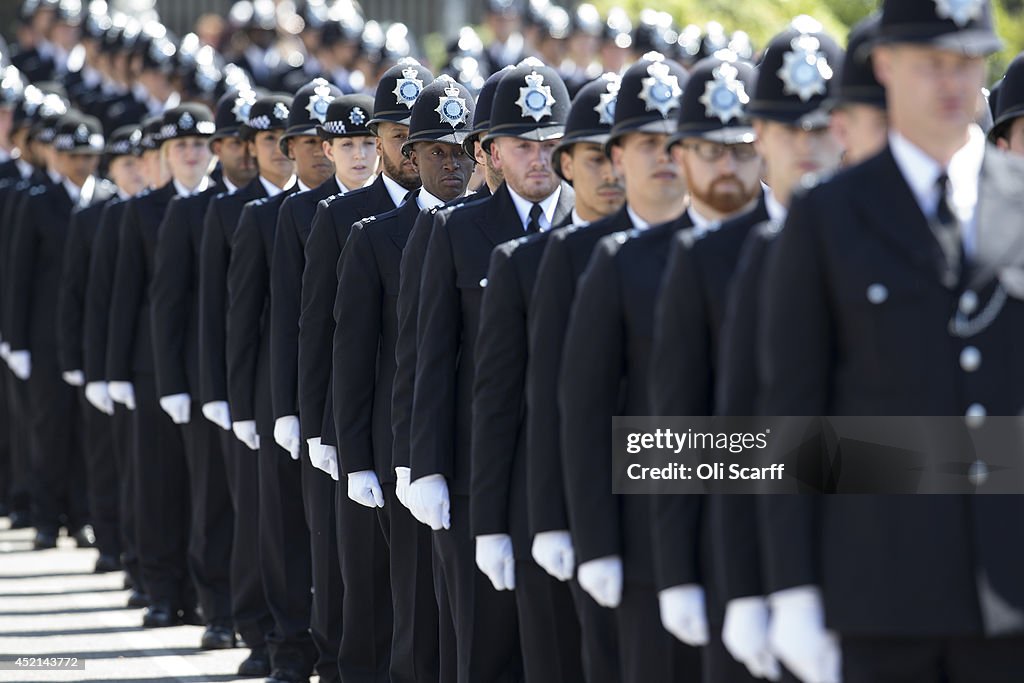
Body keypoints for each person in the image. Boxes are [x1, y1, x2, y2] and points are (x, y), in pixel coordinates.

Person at [756, 2, 1024, 681]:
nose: (952, 82)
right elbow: (792, 410)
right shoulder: (827, 215)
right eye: (931, 62)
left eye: (966, 62)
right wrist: (791, 587)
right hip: (882, 592)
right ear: (885, 67)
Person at [408, 59, 575, 683]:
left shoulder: (592, 229)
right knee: (483, 644)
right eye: (523, 145)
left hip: (567, 470)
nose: (539, 159)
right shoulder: (454, 229)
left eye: (552, 144)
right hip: (478, 470)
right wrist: (425, 466)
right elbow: (430, 354)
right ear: (489, 152)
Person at [470, 73, 628, 683]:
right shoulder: (527, 262)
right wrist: (492, 523)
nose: (613, 170)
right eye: (597, 155)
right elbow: (501, 402)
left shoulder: (686, 252)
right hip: (546, 501)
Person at [557, 52, 698, 682]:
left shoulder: (763, 245)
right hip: (640, 518)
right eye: (647, 143)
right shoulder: (606, 261)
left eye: (676, 142)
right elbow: (580, 410)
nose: (665, 156)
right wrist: (590, 536)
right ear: (617, 156)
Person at [334, 74, 476, 683]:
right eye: (436, 152)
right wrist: (355, 454)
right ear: (410, 156)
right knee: (416, 603)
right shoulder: (374, 238)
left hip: (476, 446)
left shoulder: (491, 229)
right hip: (405, 446)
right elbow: (354, 352)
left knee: (474, 611)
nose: (451, 163)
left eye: (461, 149)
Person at [300, 58, 430, 681]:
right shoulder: (346, 216)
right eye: (395, 133)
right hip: (369, 420)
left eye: (416, 131)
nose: (407, 145)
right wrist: (333, 435)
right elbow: (329, 336)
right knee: (367, 583)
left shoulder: (459, 207)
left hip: (427, 423)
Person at [227, 82, 342, 683]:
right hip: (285, 394)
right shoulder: (265, 216)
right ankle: (288, 645)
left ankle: (335, 644)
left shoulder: (365, 208)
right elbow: (250, 319)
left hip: (343, 395)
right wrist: (251, 403)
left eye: (332, 139)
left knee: (336, 533)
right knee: (285, 529)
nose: (323, 151)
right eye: (310, 140)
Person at [270, 91, 377, 683]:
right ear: (325, 149)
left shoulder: (413, 208)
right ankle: (331, 657)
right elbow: (296, 318)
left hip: (380, 398)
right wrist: (296, 411)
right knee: (333, 544)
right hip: (328, 400)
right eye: (346, 144)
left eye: (368, 143)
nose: (359, 155)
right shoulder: (305, 211)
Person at [149, 88, 260, 654]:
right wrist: (177, 383)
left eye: (251, 141)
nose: (244, 152)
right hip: (206, 382)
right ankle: (217, 609)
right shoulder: (195, 210)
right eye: (233, 142)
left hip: (259, 383)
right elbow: (172, 304)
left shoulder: (278, 203)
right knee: (213, 500)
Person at [106, 104, 216, 628]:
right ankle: (160, 586)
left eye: (199, 144)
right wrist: (117, 373)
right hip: (155, 369)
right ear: (166, 156)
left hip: (212, 368)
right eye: (181, 147)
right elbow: (126, 296)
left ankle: (204, 593)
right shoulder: (143, 210)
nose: (192, 153)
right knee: (158, 483)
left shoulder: (226, 203)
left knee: (209, 489)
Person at [197, 87, 282, 679]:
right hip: (253, 387)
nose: (275, 150)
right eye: (268, 140)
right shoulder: (237, 210)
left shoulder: (325, 203)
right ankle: (254, 625)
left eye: (287, 139)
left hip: (305, 389)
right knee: (255, 514)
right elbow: (219, 313)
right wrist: (223, 393)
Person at [6, 110, 112, 551]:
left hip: (93, 334)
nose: (82, 163)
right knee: (50, 427)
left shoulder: (105, 198)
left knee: (90, 431)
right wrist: (15, 340)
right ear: (56, 155)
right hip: (46, 336)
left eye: (90, 155)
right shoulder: (37, 199)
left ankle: (84, 515)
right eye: (74, 154)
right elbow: (18, 273)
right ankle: (47, 515)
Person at [57, 123, 145, 573]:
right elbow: (83, 296)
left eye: (140, 162)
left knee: (138, 466)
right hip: (103, 355)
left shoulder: (154, 213)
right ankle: (109, 543)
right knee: (106, 457)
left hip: (141, 360)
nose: (135, 171)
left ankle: (131, 549)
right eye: (126, 164)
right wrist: (82, 363)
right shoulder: (96, 216)